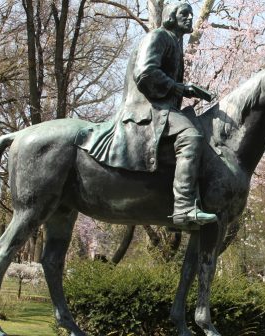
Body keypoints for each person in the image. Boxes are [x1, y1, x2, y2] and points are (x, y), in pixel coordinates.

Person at [84, 1, 216, 228]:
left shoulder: (174, 42)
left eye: (191, 14)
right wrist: (179, 88)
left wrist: (185, 88)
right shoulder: (159, 37)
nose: (189, 18)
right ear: (170, 17)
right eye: (184, 13)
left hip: (160, 108)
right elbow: (145, 73)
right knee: (191, 136)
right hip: (145, 109)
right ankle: (184, 207)